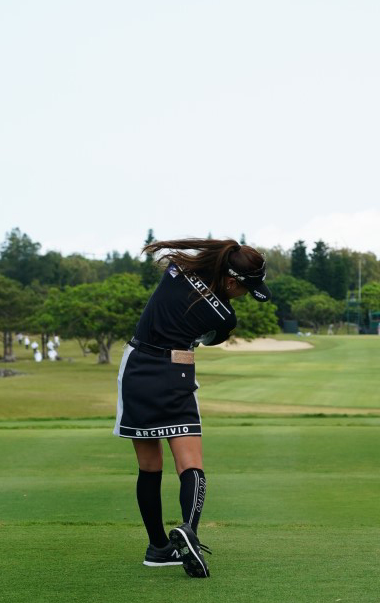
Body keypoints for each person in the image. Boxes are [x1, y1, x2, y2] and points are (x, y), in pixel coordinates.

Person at [113, 237, 271, 579]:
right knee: (190, 464)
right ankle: (190, 532)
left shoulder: (177, 269)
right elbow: (210, 337)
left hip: (137, 368)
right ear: (231, 282)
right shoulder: (225, 316)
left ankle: (158, 548)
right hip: (175, 372)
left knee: (149, 466)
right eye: (246, 288)